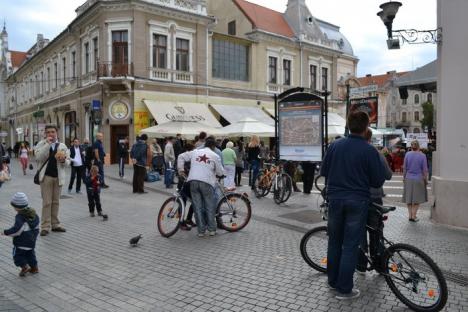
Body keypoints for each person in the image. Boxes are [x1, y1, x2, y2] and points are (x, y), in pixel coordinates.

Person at [320, 111, 386, 300]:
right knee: (350, 245)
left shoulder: (334, 146)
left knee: (334, 242)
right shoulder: (369, 150)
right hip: (357, 201)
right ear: (366, 127)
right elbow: (377, 181)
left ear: (348, 125)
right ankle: (344, 289)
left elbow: (324, 170)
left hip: (335, 200)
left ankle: (333, 282)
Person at [357, 128, 393, 274]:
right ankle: (380, 265)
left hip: (359, 197)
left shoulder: (355, 153)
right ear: (370, 138)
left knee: (360, 231)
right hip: (375, 197)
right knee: (377, 231)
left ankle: (361, 265)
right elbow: (389, 175)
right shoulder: (377, 154)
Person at [34, 124, 70, 237]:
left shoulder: (63, 146)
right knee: (47, 203)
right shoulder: (41, 144)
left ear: (57, 133)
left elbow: (68, 162)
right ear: (45, 134)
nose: (51, 134)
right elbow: (38, 158)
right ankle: (45, 227)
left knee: (56, 202)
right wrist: (48, 145)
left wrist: (64, 160)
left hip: (58, 177)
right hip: (46, 177)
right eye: (48, 132)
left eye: (53, 132)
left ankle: (55, 225)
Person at [188, 137, 224, 237]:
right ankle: (212, 229)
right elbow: (220, 172)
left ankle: (201, 231)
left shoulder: (195, 152)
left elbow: (182, 157)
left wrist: (180, 169)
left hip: (193, 181)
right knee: (209, 206)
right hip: (206, 182)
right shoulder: (214, 155)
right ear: (213, 146)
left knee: (197, 207)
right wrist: (221, 174)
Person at [1, 192, 40, 277]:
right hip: (32, 241)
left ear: (17, 207)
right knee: (30, 254)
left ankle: (24, 266)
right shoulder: (34, 214)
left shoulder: (20, 217)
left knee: (17, 256)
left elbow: (17, 230)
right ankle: (34, 268)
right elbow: (37, 227)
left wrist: (5, 232)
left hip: (21, 242)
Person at [402, 140, 428, 222]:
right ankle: (414, 216)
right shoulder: (422, 156)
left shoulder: (407, 154)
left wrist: (404, 177)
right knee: (417, 199)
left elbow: (405, 167)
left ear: (411, 146)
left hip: (408, 178)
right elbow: (425, 169)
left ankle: (410, 216)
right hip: (418, 179)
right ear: (419, 146)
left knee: (409, 198)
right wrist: (425, 179)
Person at [176, 143, 196, 230]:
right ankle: (182, 221)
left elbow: (180, 170)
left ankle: (186, 220)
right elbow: (181, 170)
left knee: (192, 201)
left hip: (187, 182)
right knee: (185, 201)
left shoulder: (183, 156)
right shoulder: (185, 156)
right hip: (186, 182)